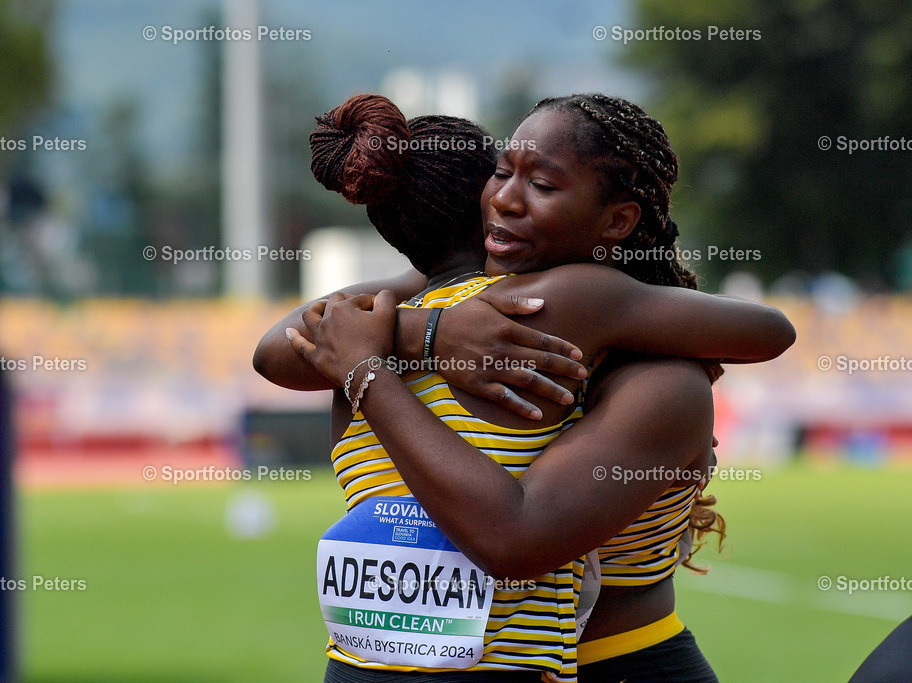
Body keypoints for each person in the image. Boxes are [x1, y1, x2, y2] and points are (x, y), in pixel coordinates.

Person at [256, 93, 795, 681]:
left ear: (617, 221)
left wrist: (397, 343)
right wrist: (428, 332)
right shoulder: (445, 316)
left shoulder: (615, 339)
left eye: (541, 184)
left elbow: (770, 331)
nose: (506, 199)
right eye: (501, 172)